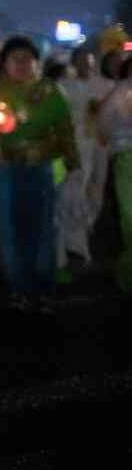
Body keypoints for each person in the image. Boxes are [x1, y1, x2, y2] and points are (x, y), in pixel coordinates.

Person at [0, 37, 78, 313]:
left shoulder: (50, 92)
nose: (21, 64)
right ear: (4, 63)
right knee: (8, 227)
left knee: (42, 226)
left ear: (36, 63)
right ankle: (18, 287)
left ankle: (44, 287)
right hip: (3, 168)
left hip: (40, 167)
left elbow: (65, 127)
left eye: (27, 59)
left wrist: (72, 159)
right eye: (15, 59)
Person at [57, 45, 114, 269]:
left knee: (96, 185)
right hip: (76, 142)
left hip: (98, 142)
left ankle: (87, 221)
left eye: (87, 61)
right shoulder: (64, 85)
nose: (85, 65)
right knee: (75, 187)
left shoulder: (103, 84)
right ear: (73, 63)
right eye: (80, 60)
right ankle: (74, 235)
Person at [96, 54, 132, 293]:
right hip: (126, 157)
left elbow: (103, 128)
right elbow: (103, 127)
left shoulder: (116, 94)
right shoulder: (119, 95)